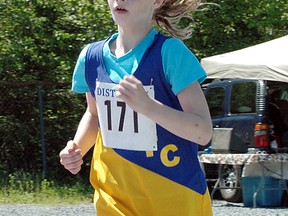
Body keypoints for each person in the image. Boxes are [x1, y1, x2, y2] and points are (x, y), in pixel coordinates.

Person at [59, 0, 213, 215]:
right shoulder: (91, 57)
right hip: (114, 196)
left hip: (173, 195)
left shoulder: (170, 53)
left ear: (157, 2)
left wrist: (148, 106)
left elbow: (203, 132)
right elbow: (94, 114)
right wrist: (77, 148)